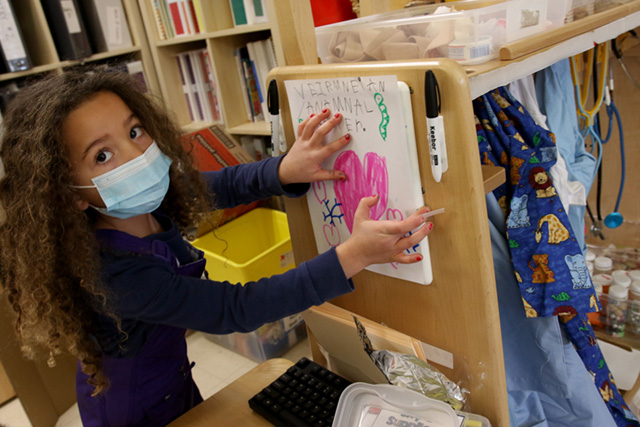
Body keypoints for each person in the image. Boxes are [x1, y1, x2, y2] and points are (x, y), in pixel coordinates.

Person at [0, 68, 433, 426]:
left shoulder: (148, 198)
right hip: (134, 408)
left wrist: (284, 169)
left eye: (134, 130)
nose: (136, 155)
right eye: (102, 156)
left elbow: (221, 185)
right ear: (70, 194)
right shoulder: (117, 275)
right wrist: (352, 256)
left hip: (172, 378)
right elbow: (236, 308)